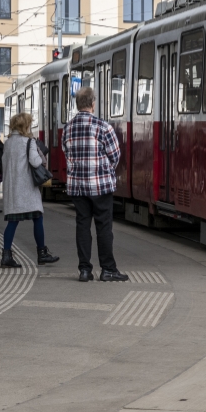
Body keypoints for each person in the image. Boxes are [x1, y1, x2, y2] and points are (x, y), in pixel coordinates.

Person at [61, 87, 126, 282]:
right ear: (93, 104)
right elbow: (115, 155)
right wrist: (103, 171)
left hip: (77, 187)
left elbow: (67, 153)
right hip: (100, 187)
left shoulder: (68, 128)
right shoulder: (103, 127)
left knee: (82, 225)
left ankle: (84, 270)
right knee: (103, 227)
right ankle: (108, 269)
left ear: (77, 104)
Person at [0, 113, 59, 268]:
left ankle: (6, 255)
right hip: (26, 188)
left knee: (12, 221)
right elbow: (35, 161)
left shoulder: (8, 142)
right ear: (25, 126)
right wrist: (40, 153)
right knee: (37, 217)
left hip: (12, 188)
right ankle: (42, 253)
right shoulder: (29, 142)